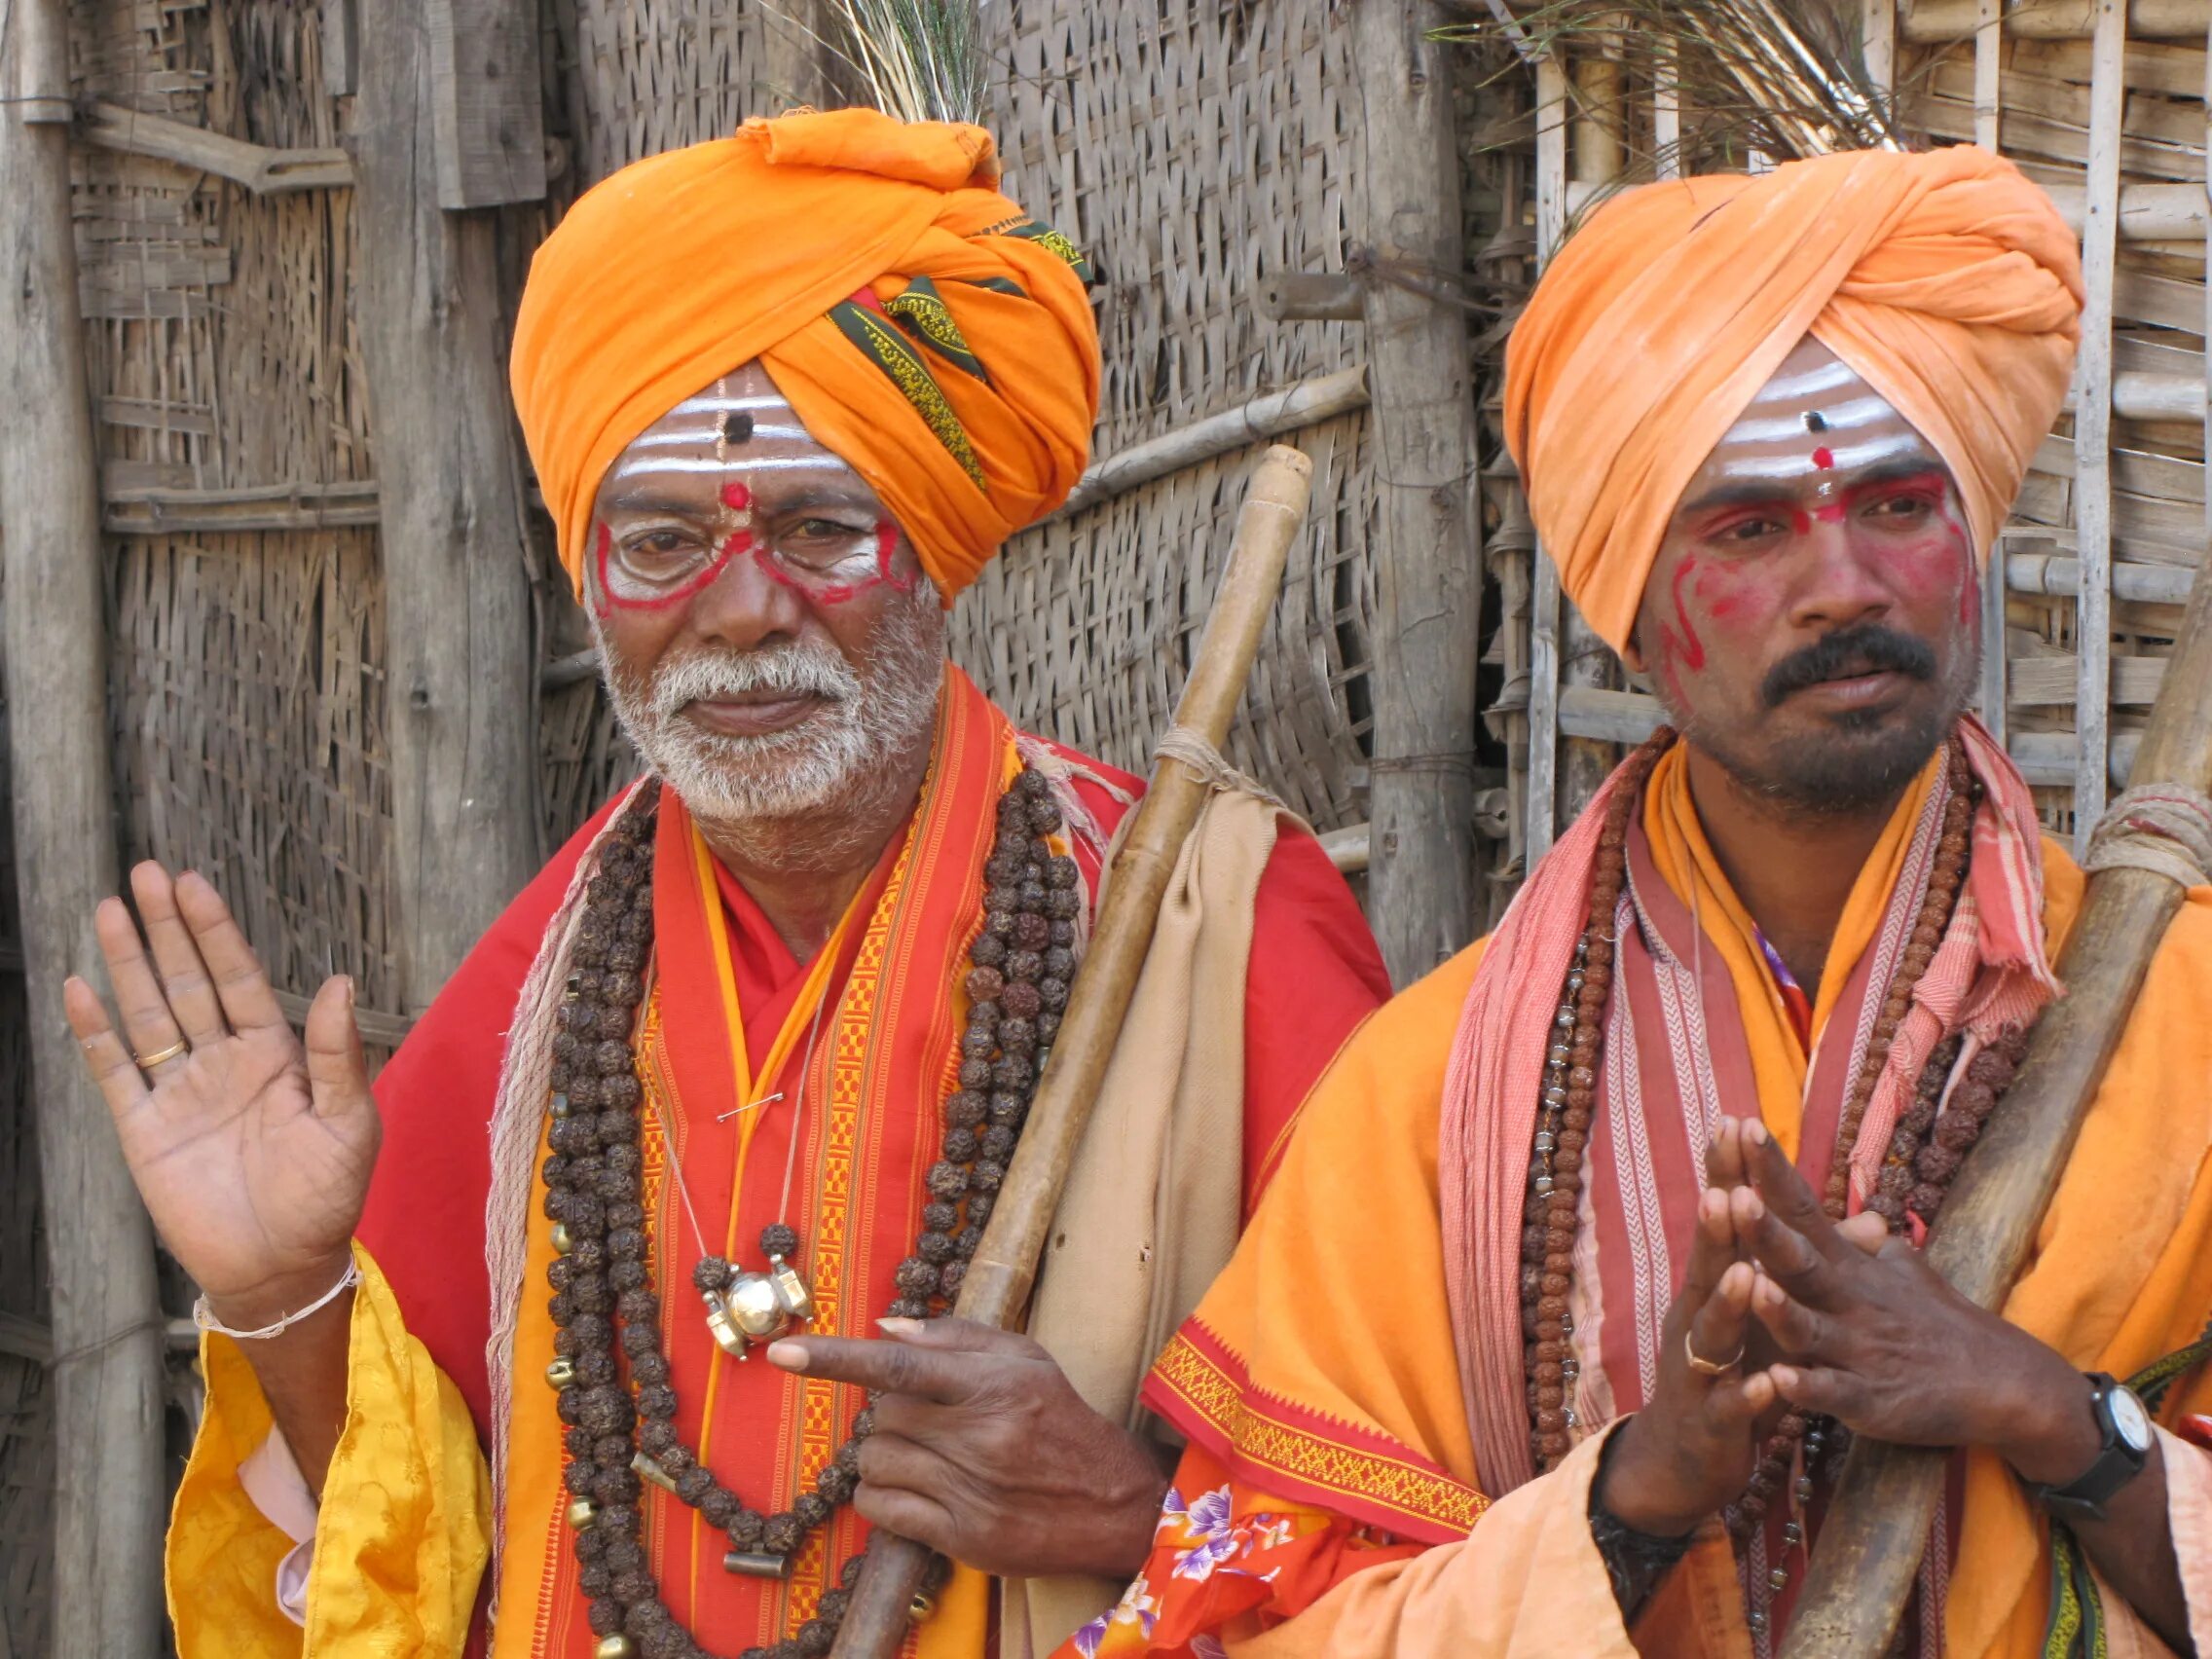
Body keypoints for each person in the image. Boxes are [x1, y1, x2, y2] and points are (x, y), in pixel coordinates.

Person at [64, 109, 1390, 1659]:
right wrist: (289, 1290)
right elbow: (417, 1564)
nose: (743, 610)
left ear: (932, 550)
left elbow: (1426, 1531)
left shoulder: (1213, 927)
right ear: (590, 581)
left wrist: (1120, 1512)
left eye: (822, 529)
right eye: (664, 541)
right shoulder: (546, 986)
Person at [1071, 146, 2212, 1659]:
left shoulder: (2184, 1019)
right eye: (1748, 531)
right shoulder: (1424, 1099)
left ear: (1974, 547)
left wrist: (2053, 1417)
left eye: (1896, 503)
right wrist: (1638, 1493)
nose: (1846, 584)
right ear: (1627, 611)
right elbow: (1239, 1628)